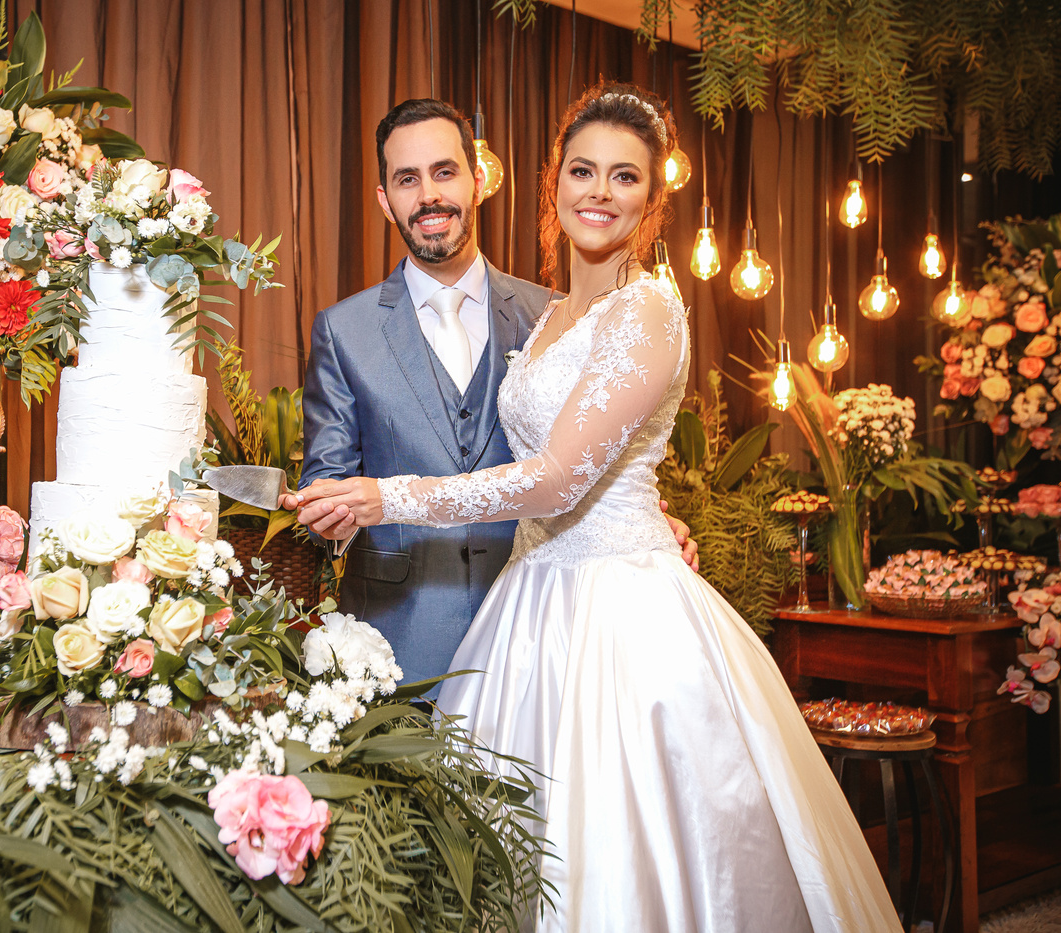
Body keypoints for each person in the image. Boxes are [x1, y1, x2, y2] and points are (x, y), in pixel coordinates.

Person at [291, 84, 899, 932]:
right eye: (584, 171)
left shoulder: (609, 306)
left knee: (612, 846)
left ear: (480, 178)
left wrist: (635, 512)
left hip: (604, 622)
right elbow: (573, 444)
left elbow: (563, 472)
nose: (600, 192)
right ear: (385, 196)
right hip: (465, 627)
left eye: (625, 176)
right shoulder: (540, 319)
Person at [300, 97, 696, 686]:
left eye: (445, 171)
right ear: (385, 200)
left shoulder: (548, 312)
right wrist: (331, 518)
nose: (429, 195)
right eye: (407, 179)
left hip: (547, 636)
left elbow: (586, 458)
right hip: (399, 640)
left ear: (478, 180)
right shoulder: (343, 330)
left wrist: (645, 521)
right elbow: (325, 488)